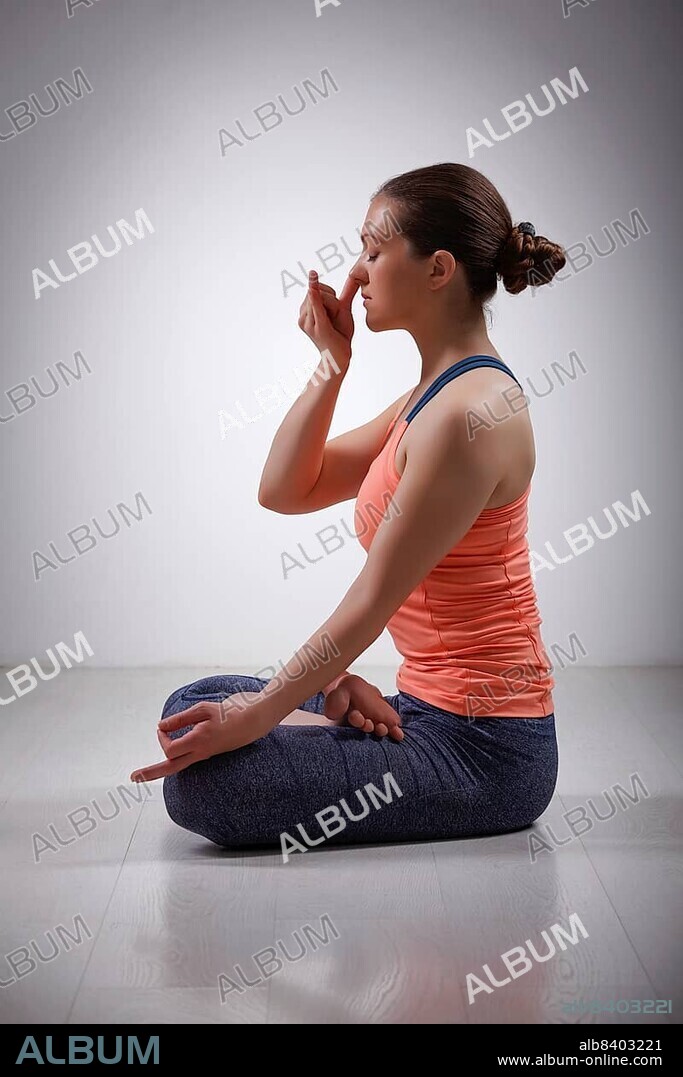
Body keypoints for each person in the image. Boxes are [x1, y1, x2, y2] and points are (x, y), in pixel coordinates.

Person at [131, 162, 567, 852]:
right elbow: (285, 488)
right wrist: (331, 363)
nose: (356, 272)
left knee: (210, 781)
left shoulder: (470, 414)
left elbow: (370, 598)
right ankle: (324, 714)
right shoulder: (433, 395)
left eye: (372, 248)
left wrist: (261, 716)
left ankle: (300, 724)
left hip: (486, 751)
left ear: (437, 269)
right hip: (420, 714)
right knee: (195, 704)